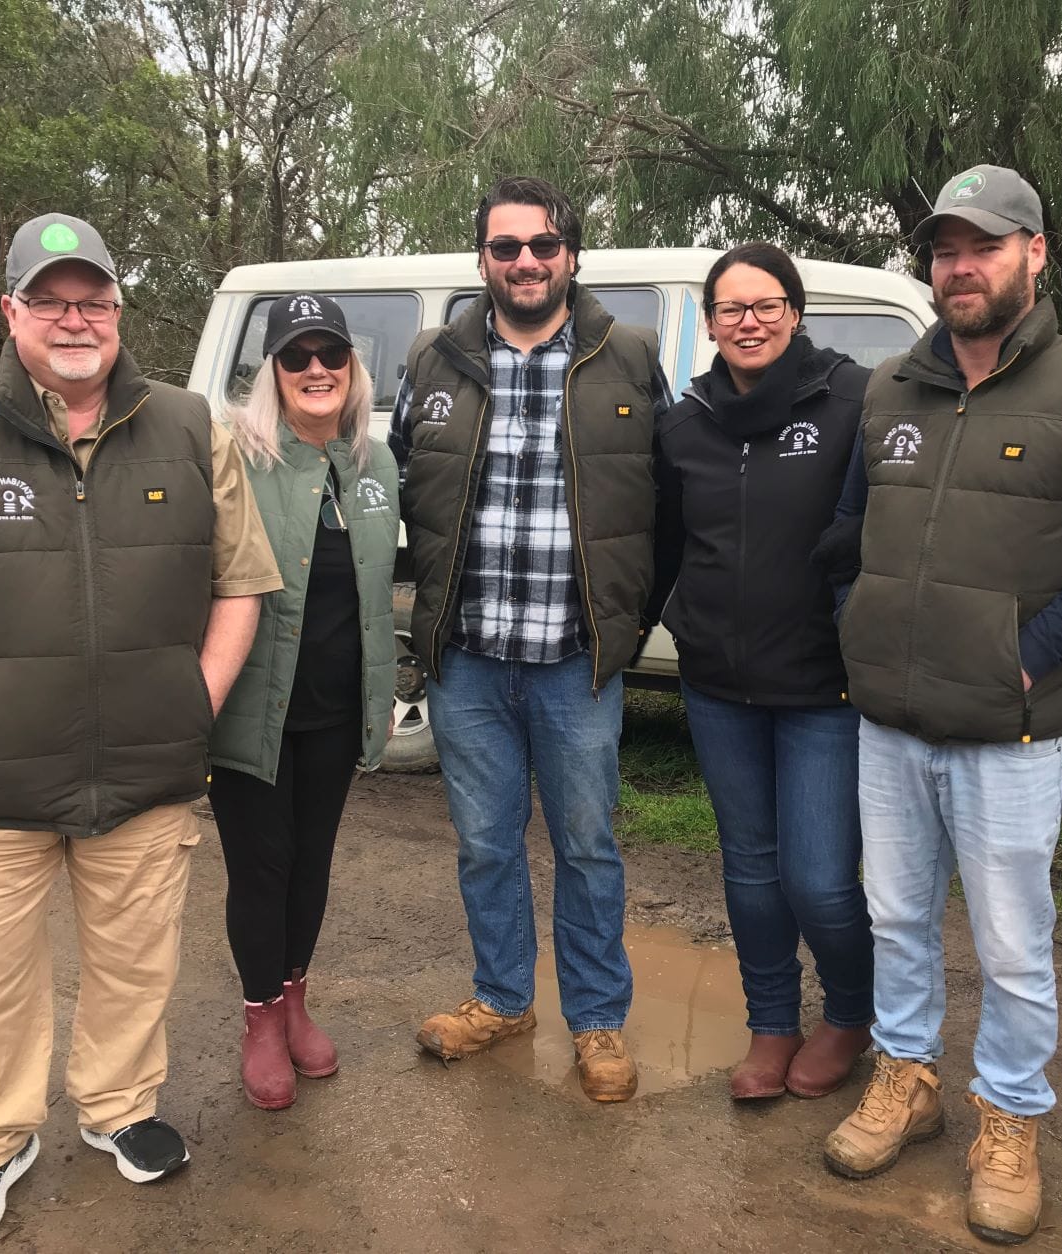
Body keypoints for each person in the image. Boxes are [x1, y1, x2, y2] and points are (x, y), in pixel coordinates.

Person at [0, 213, 282, 1245]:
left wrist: (193, 705)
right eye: (52, 299)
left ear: (119, 312)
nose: (75, 320)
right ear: (12, 311)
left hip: (148, 773)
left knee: (136, 964)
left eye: (95, 301)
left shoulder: (191, 428)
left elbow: (240, 587)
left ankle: (121, 1112)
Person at [820, 166, 1062, 1244]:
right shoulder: (889, 391)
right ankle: (907, 1081)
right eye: (942, 250)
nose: (958, 267)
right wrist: (858, 625)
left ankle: (1009, 1121)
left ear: (1035, 254)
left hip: (1010, 733)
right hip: (890, 722)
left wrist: (1028, 656)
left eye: (982, 246)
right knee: (895, 919)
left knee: (1014, 945)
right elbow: (847, 537)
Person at [387, 175, 671, 1102]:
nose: (525, 262)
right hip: (468, 662)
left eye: (542, 245)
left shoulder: (626, 358)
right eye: (506, 248)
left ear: (571, 255)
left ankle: (597, 1023)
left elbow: (666, 505)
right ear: (483, 260)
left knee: (587, 847)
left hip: (575, 665)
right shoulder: (434, 362)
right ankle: (503, 999)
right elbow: (401, 478)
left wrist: (630, 622)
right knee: (486, 845)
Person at [649, 243, 874, 1102]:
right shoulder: (687, 420)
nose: (749, 322)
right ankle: (772, 1023)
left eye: (766, 305)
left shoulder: (853, 401)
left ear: (795, 311)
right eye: (732, 309)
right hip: (718, 687)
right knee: (748, 868)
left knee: (818, 879)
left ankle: (852, 1013)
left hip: (824, 688)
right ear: (709, 323)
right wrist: (655, 626)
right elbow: (668, 545)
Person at [206, 294, 399, 1111]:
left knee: (312, 862)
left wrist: (385, 692)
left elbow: (382, 590)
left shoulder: (375, 464)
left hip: (334, 705)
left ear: (351, 369)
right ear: (271, 373)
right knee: (263, 865)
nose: (316, 369)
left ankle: (295, 1000)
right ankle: (258, 1022)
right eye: (297, 356)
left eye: (331, 354)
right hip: (252, 706)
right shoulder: (234, 457)